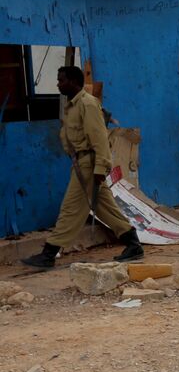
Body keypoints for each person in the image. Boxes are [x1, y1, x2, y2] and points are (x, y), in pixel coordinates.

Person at [21, 66, 143, 269]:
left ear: (74, 82)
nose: (58, 84)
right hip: (81, 163)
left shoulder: (87, 104)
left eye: (62, 80)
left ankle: (49, 253)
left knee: (71, 209)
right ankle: (133, 244)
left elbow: (99, 138)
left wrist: (100, 169)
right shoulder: (72, 106)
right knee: (104, 208)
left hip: (89, 164)